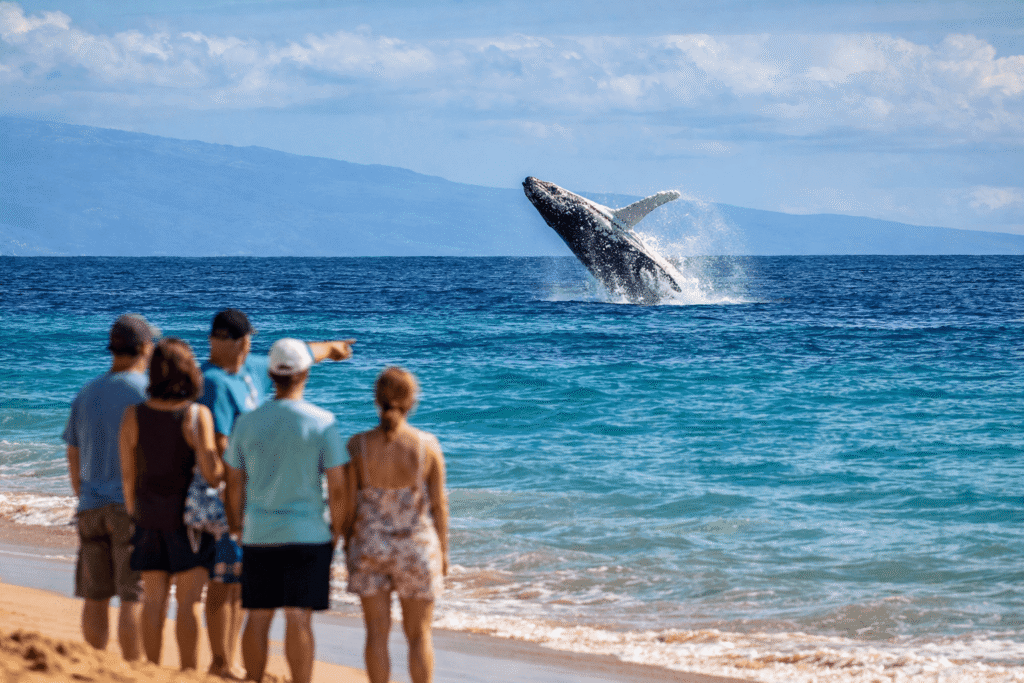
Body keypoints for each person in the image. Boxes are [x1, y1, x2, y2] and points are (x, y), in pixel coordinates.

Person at [198, 308, 354, 678]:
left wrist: (331, 348)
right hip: (227, 495)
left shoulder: (250, 370)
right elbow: (220, 450)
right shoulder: (214, 382)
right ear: (237, 341)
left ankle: (235, 663)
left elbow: (299, 354)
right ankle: (221, 661)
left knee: (248, 598)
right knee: (225, 582)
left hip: (256, 507)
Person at [118, 338, 222, 670]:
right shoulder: (196, 415)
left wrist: (135, 513)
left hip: (148, 516)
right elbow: (213, 473)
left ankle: (151, 667)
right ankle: (189, 671)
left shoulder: (133, 415)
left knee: (154, 601)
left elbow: (127, 475)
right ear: (188, 372)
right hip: (188, 521)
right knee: (189, 602)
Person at [344, 367, 450, 683]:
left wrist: (345, 542)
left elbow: (347, 504)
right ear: (411, 400)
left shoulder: (357, 446)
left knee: (376, 633)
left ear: (376, 400)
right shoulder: (426, 445)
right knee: (419, 634)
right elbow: (439, 505)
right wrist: (444, 551)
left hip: (370, 545)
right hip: (415, 547)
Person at [62, 314, 158, 661]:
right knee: (133, 595)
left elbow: (73, 453)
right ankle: (131, 670)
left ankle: (96, 666)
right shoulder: (147, 393)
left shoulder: (86, 393)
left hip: (90, 504)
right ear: (145, 347)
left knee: (95, 594)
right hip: (130, 507)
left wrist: (83, 494)